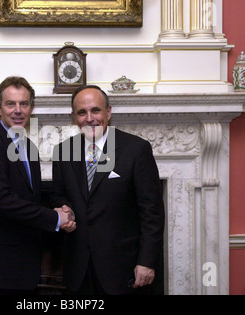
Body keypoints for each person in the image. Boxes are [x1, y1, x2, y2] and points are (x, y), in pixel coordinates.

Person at [0, 76, 75, 295]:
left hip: (25, 269)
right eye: (10, 104)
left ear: (31, 108)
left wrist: (63, 211)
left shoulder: (29, 147)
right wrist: (54, 219)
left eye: (23, 104)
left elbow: (30, 201)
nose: (18, 110)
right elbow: (2, 201)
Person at [51, 85, 165, 295]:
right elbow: (58, 195)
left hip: (124, 269)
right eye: (82, 112)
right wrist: (65, 211)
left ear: (108, 112)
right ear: (74, 117)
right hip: (79, 269)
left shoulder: (136, 149)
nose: (90, 118)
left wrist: (147, 262)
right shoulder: (63, 151)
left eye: (96, 110)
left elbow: (152, 212)